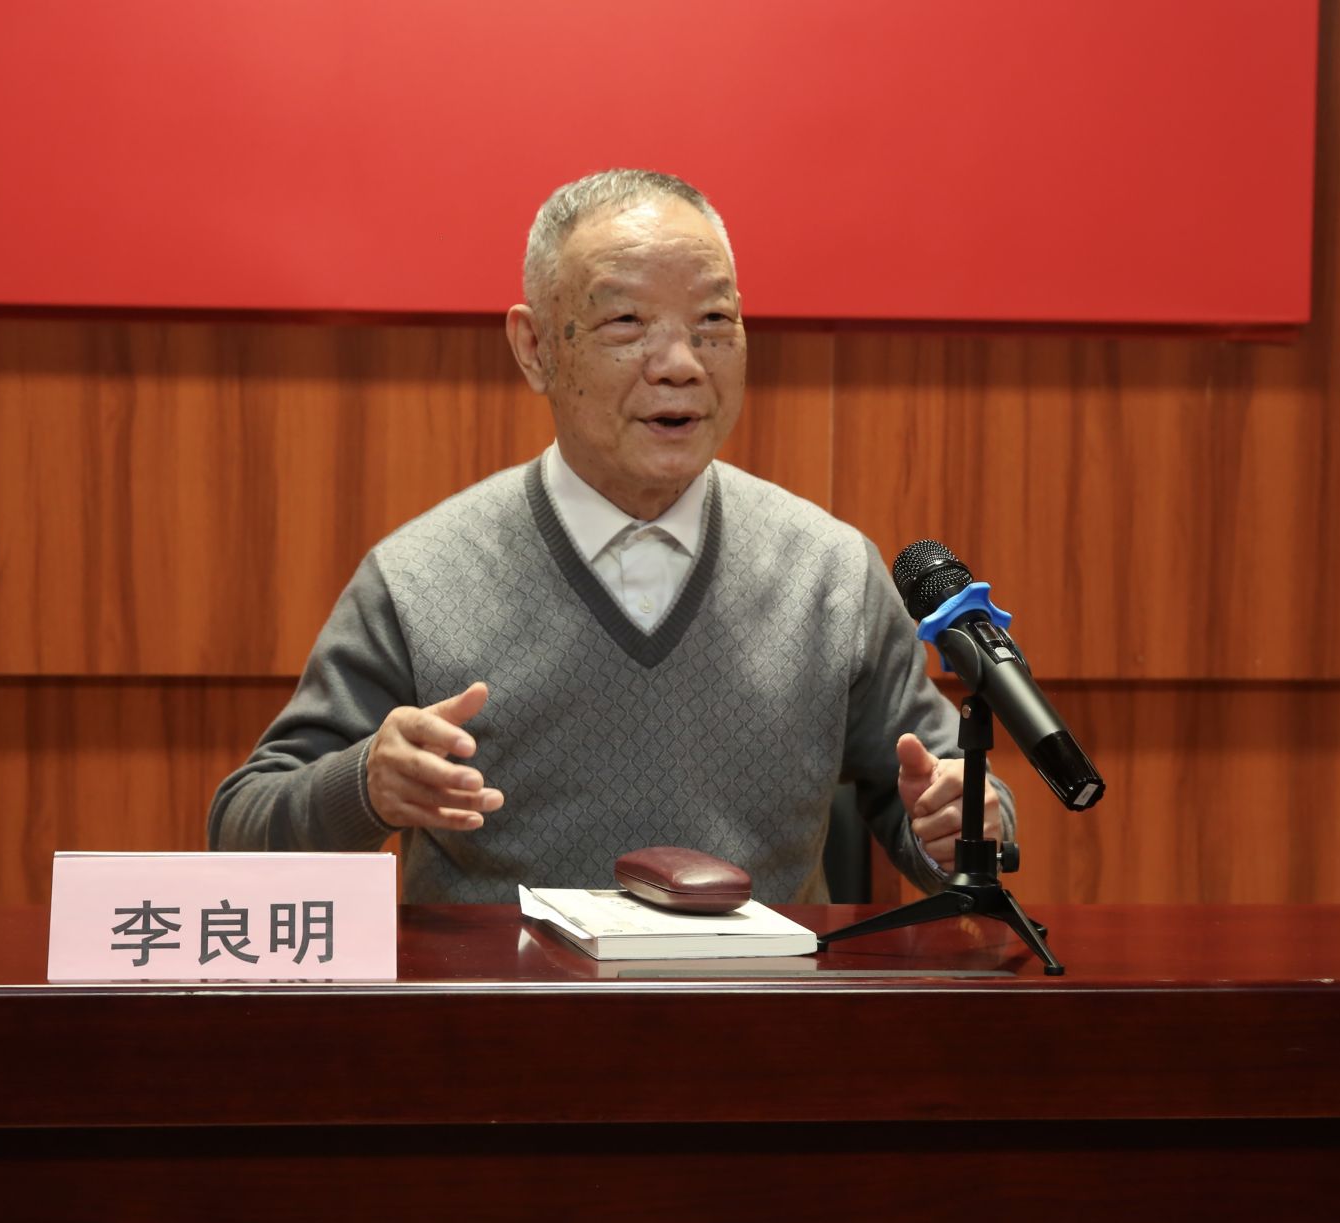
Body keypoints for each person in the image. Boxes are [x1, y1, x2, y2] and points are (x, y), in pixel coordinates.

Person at [208, 168, 1012, 902]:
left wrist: (964, 823)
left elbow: (946, 801)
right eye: (627, 322)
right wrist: (365, 787)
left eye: (714, 320)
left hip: (757, 1013)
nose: (681, 363)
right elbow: (241, 828)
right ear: (534, 348)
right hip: (505, 1013)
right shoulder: (421, 578)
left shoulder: (829, 573)